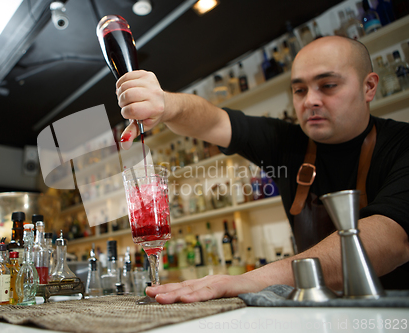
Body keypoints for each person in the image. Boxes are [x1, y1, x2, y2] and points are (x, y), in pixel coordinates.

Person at [116, 36, 409, 303]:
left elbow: (390, 238)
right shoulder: (288, 143)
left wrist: (253, 279)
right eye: (298, 89)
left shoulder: (402, 145)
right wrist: (167, 105)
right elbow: (213, 121)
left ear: (369, 86)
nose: (310, 100)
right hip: (317, 312)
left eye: (328, 85)